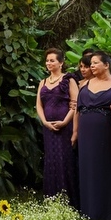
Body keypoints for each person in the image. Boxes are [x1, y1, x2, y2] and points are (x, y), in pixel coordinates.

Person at [73, 52, 111, 220]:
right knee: (89, 168)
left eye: (95, 63)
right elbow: (77, 110)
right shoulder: (83, 84)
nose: (91, 66)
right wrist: (75, 132)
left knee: (109, 167)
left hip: (108, 132)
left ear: (107, 65)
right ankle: (90, 209)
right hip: (86, 133)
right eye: (90, 63)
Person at [35, 48, 78, 207]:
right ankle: (52, 199)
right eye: (47, 60)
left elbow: (75, 104)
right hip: (48, 128)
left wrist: (65, 122)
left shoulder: (69, 80)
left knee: (65, 160)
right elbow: (39, 105)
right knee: (51, 160)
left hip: (65, 127)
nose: (49, 63)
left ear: (61, 62)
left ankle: (69, 201)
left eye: (52, 60)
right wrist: (45, 121)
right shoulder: (43, 82)